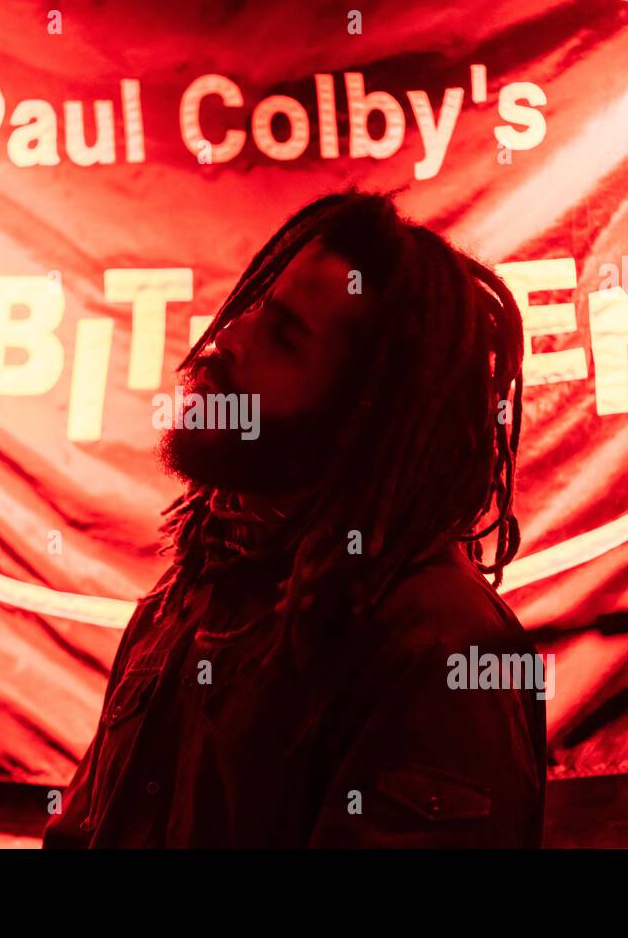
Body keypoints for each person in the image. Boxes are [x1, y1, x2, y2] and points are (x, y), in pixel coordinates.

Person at [43, 189, 546, 847]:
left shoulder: (444, 651)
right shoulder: (190, 597)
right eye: (253, 305)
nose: (225, 338)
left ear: (360, 420)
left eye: (284, 336)